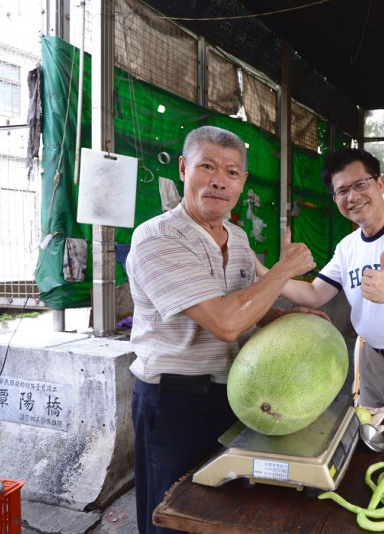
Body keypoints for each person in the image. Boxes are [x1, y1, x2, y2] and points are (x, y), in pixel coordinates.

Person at [127, 125, 322, 534]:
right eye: (207, 167)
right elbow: (227, 323)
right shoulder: (157, 238)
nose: (219, 180)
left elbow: (251, 304)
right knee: (173, 513)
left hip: (235, 394)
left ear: (243, 181)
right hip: (173, 403)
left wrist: (293, 319)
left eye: (232, 172)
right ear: (183, 168)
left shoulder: (237, 236)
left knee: (223, 508)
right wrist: (285, 268)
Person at [271, 147, 384, 484]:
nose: (352, 197)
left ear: (379, 183)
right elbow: (313, 294)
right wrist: (269, 274)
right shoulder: (348, 246)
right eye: (342, 191)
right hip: (371, 362)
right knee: (371, 443)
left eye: (359, 185)